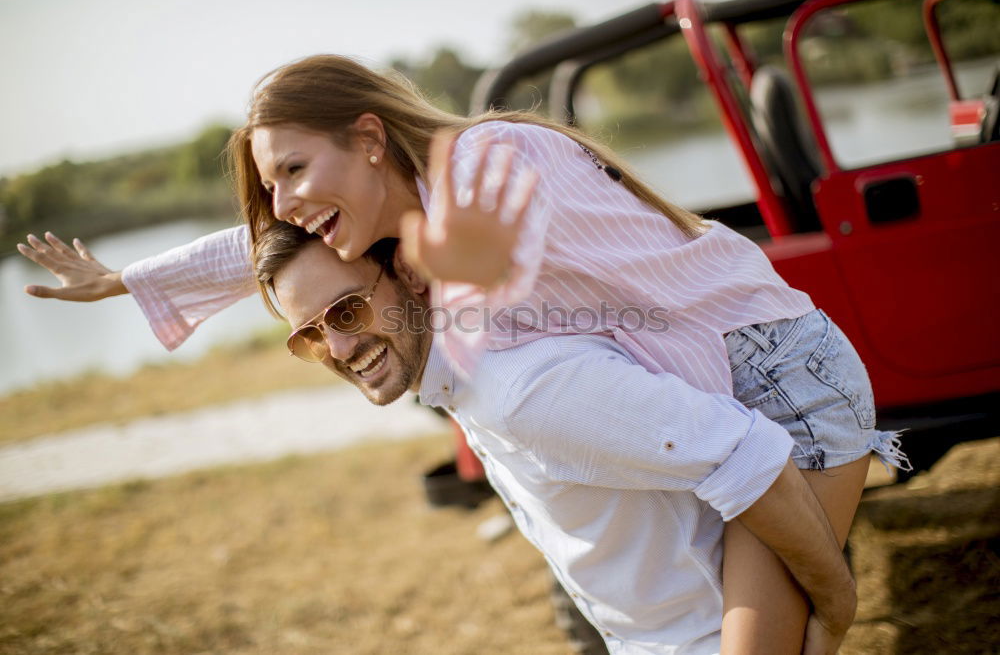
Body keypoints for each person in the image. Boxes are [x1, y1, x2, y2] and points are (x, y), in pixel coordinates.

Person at [17, 52, 909, 653]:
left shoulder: (492, 158)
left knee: (806, 621)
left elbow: (486, 274)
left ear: (369, 138)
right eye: (270, 181)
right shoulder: (400, 227)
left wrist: (837, 596)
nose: (281, 199)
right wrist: (132, 281)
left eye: (291, 169)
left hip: (778, 368)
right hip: (711, 380)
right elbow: (261, 243)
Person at [255, 221, 856, 654]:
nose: (336, 348)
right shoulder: (460, 382)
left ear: (409, 273)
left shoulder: (520, 390)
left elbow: (753, 456)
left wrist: (835, 602)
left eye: (347, 312)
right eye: (306, 335)